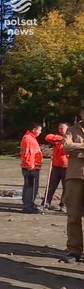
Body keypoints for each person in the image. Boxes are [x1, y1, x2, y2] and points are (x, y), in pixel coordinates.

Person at [63, 108, 84, 263]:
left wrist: (78, 149)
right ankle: (74, 250)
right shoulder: (71, 130)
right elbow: (67, 147)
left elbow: (72, 148)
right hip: (75, 176)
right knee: (73, 215)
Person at [43, 123, 69, 212]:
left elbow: (65, 149)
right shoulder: (57, 137)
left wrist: (62, 142)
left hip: (67, 166)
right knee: (51, 185)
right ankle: (46, 202)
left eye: (62, 128)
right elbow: (48, 137)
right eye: (59, 128)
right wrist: (60, 139)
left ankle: (63, 204)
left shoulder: (71, 138)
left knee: (67, 187)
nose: (60, 130)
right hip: (56, 166)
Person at [20, 123, 43, 214]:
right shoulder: (29, 139)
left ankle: (28, 204)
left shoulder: (30, 138)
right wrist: (30, 165)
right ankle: (28, 206)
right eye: (39, 130)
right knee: (31, 187)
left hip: (31, 166)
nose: (40, 132)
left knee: (29, 186)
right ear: (34, 129)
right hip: (31, 167)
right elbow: (28, 153)